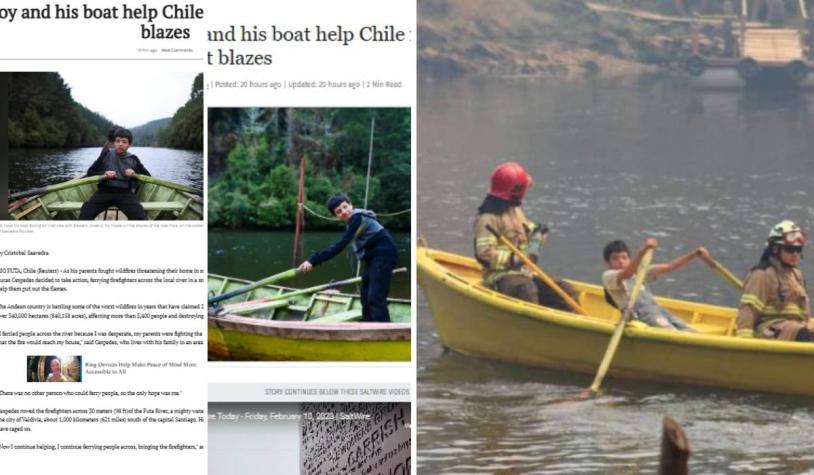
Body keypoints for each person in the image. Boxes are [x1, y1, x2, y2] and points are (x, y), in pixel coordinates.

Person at [473, 162, 578, 311]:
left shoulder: (515, 210)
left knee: (565, 290)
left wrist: (538, 235)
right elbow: (484, 254)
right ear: (517, 191)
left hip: (525, 273)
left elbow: (528, 235)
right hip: (499, 276)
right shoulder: (488, 218)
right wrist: (515, 259)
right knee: (526, 290)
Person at [297, 194, 398, 322]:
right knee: (365, 298)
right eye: (339, 211)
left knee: (375, 298)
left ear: (351, 205)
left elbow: (339, 246)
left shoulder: (357, 217)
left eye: (345, 207)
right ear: (336, 216)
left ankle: (385, 332)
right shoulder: (352, 223)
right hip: (372, 259)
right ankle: (369, 327)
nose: (344, 212)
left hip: (384, 255)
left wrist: (313, 260)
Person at [602, 238, 711, 331]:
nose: (621, 261)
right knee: (671, 332)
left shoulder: (639, 271)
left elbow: (669, 266)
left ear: (629, 259)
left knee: (688, 330)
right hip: (639, 315)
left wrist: (694, 254)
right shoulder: (609, 276)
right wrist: (643, 252)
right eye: (615, 258)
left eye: (624, 257)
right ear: (608, 263)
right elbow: (627, 274)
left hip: (658, 310)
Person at [736, 220, 813, 341]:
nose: (795, 254)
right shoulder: (762, 274)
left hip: (796, 326)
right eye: (790, 249)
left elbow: (804, 314)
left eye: (798, 249)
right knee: (802, 334)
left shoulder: (797, 275)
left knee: (803, 332)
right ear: (776, 249)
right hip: (770, 330)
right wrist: (745, 342)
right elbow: (748, 311)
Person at [79, 127, 151, 220]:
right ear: (114, 143)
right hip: (104, 192)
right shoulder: (106, 154)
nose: (120, 144)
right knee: (86, 210)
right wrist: (104, 174)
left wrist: (134, 174)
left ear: (129, 144)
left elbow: (147, 177)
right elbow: (90, 172)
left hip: (125, 193)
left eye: (124, 142)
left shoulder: (133, 159)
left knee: (140, 216)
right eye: (118, 141)